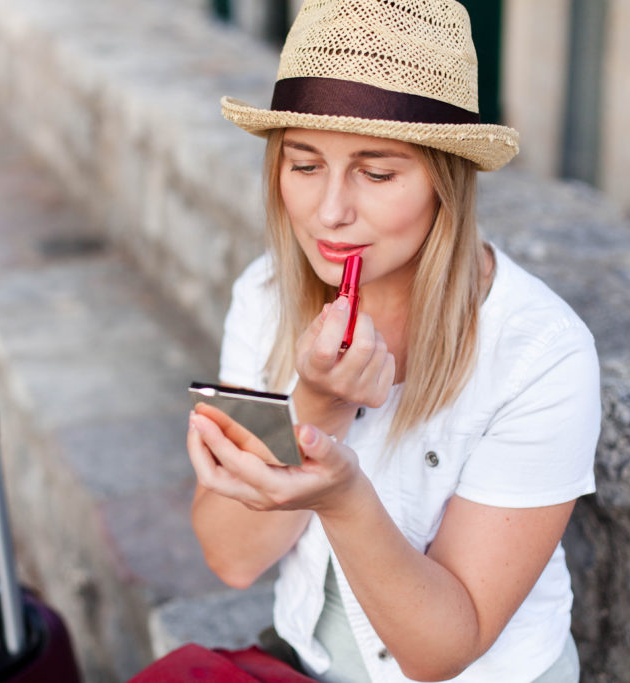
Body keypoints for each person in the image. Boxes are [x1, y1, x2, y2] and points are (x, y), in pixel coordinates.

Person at [185, 1, 600, 681]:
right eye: (305, 163)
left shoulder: (540, 354)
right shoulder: (265, 296)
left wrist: (341, 493)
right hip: (306, 658)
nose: (330, 211)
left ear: (445, 181)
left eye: (376, 173)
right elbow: (232, 557)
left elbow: (441, 649)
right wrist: (316, 408)